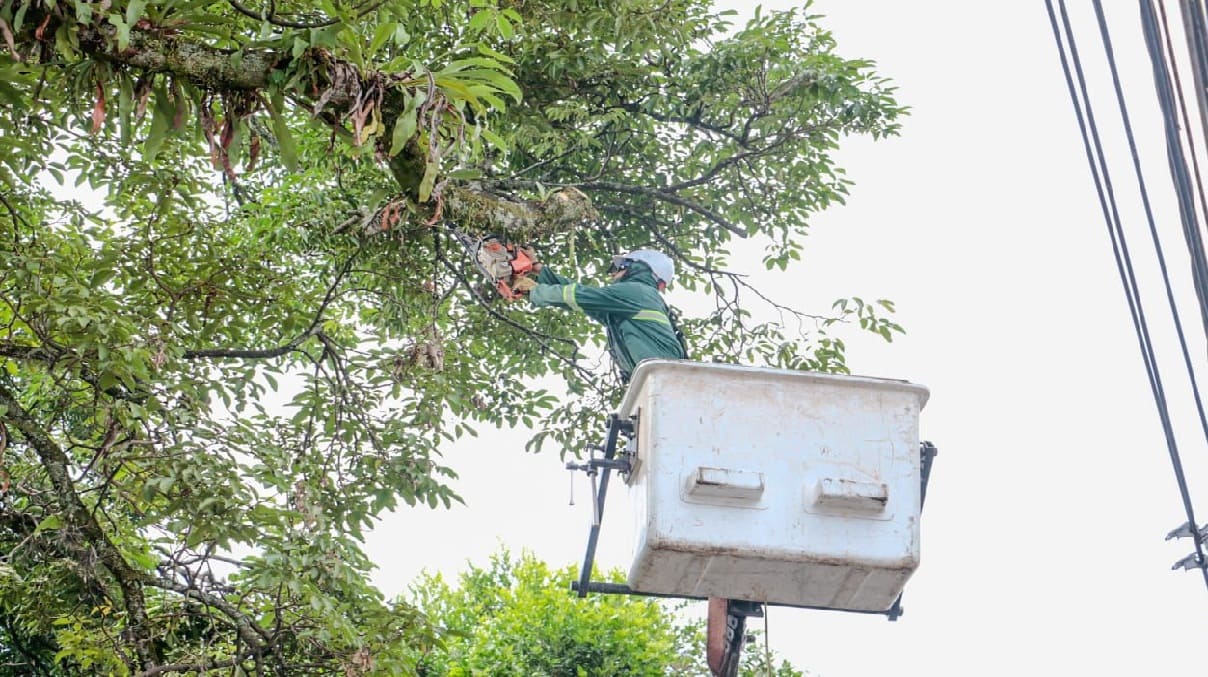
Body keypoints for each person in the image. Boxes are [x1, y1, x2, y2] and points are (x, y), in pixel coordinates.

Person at [512, 249, 687, 382]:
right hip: (661, 379)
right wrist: (539, 269)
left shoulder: (635, 291)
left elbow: (577, 295)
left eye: (620, 266)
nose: (612, 272)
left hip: (663, 379)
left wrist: (534, 290)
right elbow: (586, 299)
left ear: (637, 268)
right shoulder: (637, 298)